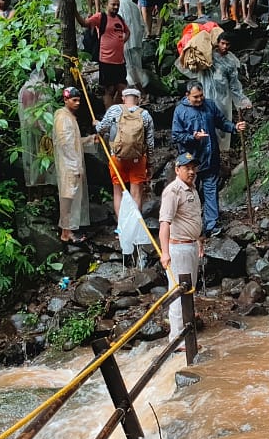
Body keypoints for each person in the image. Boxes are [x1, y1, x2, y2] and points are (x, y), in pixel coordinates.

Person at [171, 82, 246, 236]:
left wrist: (234, 127)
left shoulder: (209, 105)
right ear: (187, 96)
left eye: (201, 95)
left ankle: (211, 226)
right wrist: (193, 137)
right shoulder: (180, 110)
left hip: (210, 157)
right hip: (191, 161)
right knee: (190, 191)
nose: (199, 99)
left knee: (211, 189)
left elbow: (221, 122)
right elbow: (176, 135)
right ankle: (190, 226)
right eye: (195, 97)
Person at [175, 31, 250, 154]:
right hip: (204, 94)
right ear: (218, 43)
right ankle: (205, 150)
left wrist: (242, 99)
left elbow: (234, 84)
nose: (224, 47)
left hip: (222, 96)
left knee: (222, 122)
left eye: (227, 44)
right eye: (222, 43)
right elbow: (193, 64)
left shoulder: (230, 61)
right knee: (204, 122)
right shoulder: (208, 55)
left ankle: (222, 152)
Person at [159, 152, 204, 349]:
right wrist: (164, 252)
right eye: (187, 168)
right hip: (178, 247)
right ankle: (177, 339)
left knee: (189, 291)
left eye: (193, 167)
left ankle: (187, 334)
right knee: (178, 291)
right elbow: (164, 223)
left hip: (191, 245)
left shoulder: (192, 189)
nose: (192, 171)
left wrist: (199, 241)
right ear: (177, 170)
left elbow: (194, 218)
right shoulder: (173, 191)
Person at [95, 84, 155, 219]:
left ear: (123, 98)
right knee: (136, 194)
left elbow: (101, 129)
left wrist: (96, 124)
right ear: (138, 99)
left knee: (118, 192)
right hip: (138, 160)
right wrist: (149, 164)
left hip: (117, 158)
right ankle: (136, 228)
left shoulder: (114, 110)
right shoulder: (145, 115)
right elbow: (150, 143)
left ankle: (121, 229)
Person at [53, 86, 93, 242]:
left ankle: (68, 230)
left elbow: (74, 142)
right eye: (74, 100)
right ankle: (65, 231)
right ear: (65, 100)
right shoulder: (63, 118)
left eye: (79, 101)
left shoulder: (68, 116)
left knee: (70, 196)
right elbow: (66, 144)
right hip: (68, 164)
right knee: (67, 197)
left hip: (71, 163)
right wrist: (75, 165)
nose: (77, 103)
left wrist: (90, 139)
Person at [77, 0, 130, 109]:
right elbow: (85, 23)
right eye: (113, 4)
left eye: (117, 5)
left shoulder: (119, 19)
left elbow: (127, 32)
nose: (116, 7)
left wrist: (122, 41)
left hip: (120, 61)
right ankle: (109, 117)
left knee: (122, 88)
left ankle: (114, 112)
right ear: (107, 4)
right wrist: (75, 12)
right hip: (106, 60)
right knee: (109, 90)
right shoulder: (101, 17)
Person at [17, 66, 56, 190]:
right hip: (36, 131)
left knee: (40, 160)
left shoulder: (32, 87)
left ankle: (38, 194)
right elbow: (30, 115)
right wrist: (43, 131)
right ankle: (36, 194)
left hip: (41, 129)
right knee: (36, 160)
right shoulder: (31, 89)